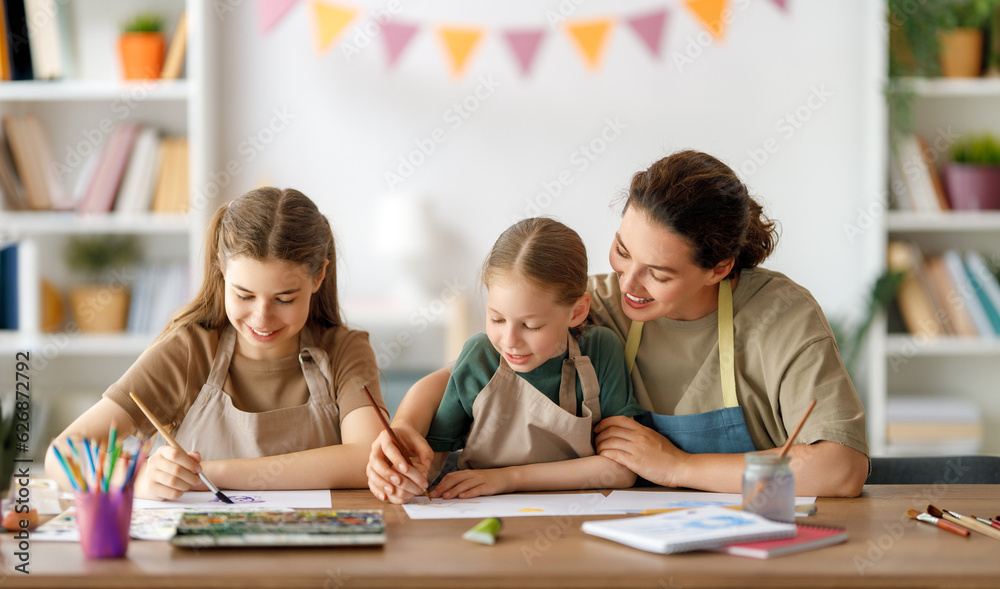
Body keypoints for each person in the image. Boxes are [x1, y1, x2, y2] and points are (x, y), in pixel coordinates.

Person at [369, 151, 869, 499]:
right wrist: (405, 432)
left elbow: (840, 469)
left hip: (753, 538)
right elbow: (463, 371)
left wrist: (677, 467)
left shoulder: (781, 317)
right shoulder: (599, 303)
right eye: (623, 251)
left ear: (719, 269)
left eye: (659, 273)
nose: (628, 282)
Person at [45, 188, 388, 500]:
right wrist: (136, 477)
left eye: (284, 299)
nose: (261, 317)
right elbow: (62, 454)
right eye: (244, 295)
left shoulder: (345, 350)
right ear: (222, 269)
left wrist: (208, 473)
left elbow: (368, 458)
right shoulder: (190, 350)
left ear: (319, 277)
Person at [367, 217, 642, 503]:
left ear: (576, 312)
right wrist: (403, 479)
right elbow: (430, 465)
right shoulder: (479, 357)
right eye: (497, 318)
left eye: (531, 326)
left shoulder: (601, 351)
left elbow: (621, 470)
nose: (509, 341)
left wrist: (509, 478)